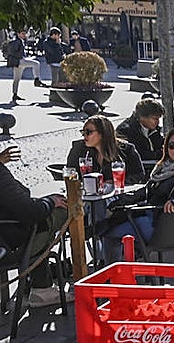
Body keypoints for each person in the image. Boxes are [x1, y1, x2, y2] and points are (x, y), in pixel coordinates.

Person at [100, 127, 174, 261]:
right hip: (154, 218)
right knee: (107, 222)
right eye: (172, 145)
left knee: (108, 231)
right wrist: (120, 199)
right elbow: (147, 191)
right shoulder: (162, 168)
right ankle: (124, 268)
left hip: (164, 227)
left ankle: (114, 274)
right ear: (166, 148)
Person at [0, 143, 68, 308]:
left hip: (6, 238)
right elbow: (29, 211)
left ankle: (35, 280)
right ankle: (41, 287)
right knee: (59, 214)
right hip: (7, 246)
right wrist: (51, 201)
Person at [66, 116, 145, 185]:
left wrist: (117, 182)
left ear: (103, 133)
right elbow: (70, 171)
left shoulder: (126, 150)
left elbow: (139, 175)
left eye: (88, 132)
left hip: (115, 195)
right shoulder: (78, 149)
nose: (84, 136)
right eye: (83, 132)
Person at [116, 98, 165, 168]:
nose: (157, 122)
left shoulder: (154, 129)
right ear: (142, 117)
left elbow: (160, 143)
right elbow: (138, 153)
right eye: (154, 119)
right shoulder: (126, 130)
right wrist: (160, 153)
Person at [7, 29, 36, 103]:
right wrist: (21, 57)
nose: (24, 35)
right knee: (36, 64)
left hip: (18, 62)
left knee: (17, 79)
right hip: (19, 61)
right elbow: (12, 52)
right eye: (22, 34)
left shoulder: (21, 41)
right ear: (18, 34)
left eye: (25, 34)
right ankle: (37, 79)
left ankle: (15, 94)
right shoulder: (17, 41)